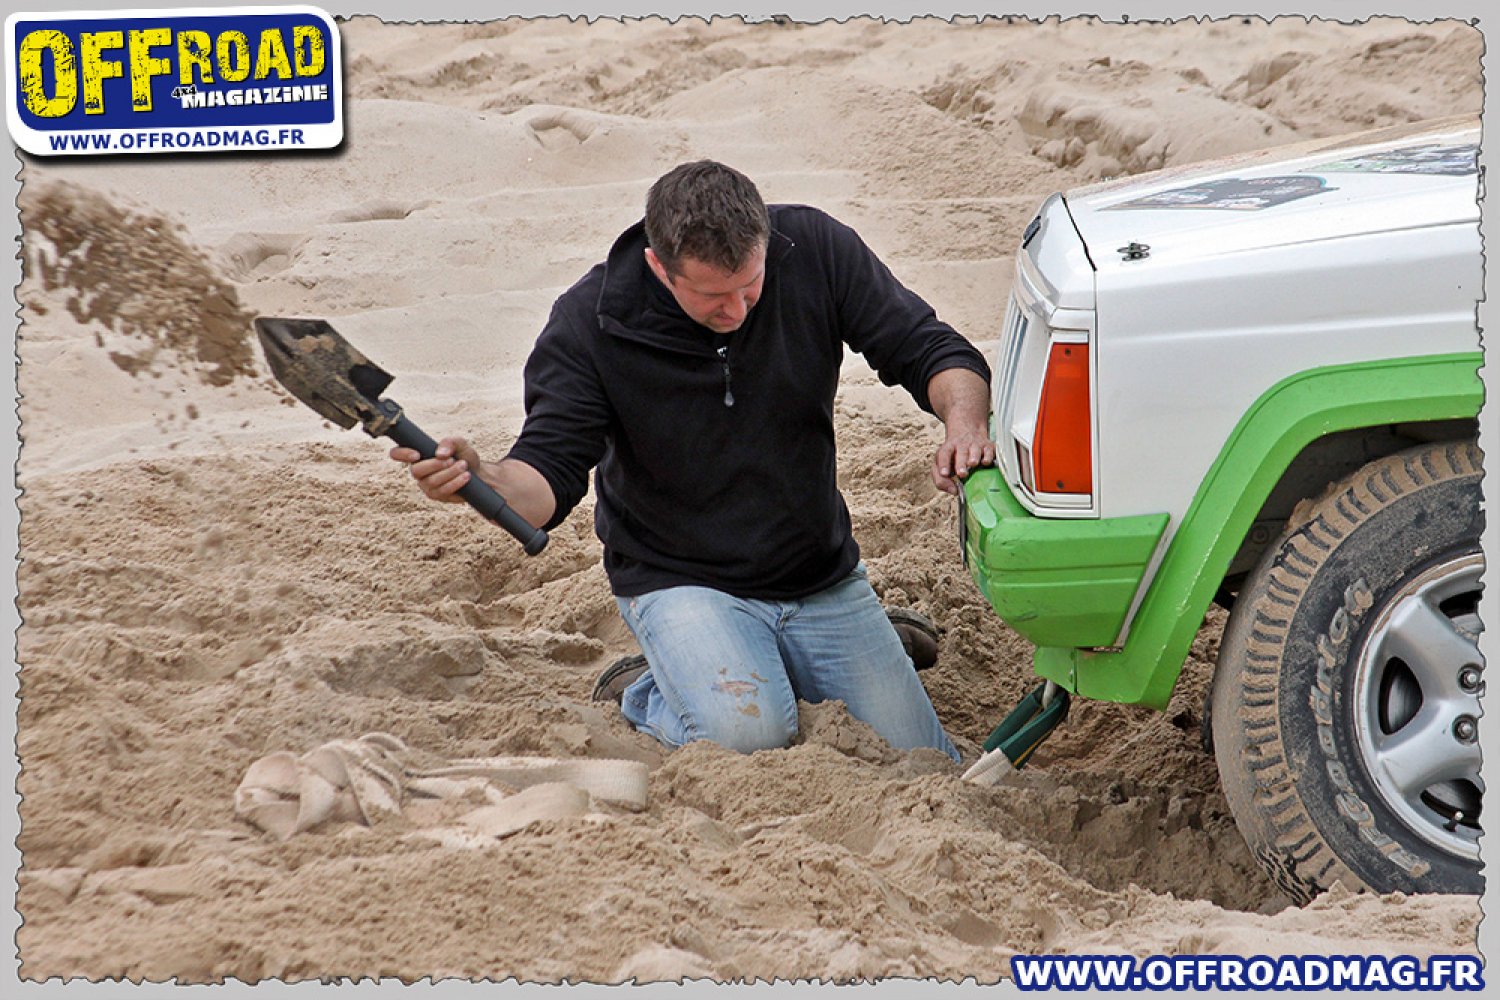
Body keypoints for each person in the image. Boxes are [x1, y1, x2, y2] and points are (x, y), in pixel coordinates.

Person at [392, 160, 995, 762]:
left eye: (750, 285)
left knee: (921, 757)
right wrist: (482, 479)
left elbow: (931, 348)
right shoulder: (588, 323)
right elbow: (547, 477)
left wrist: (963, 426)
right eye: (712, 296)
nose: (737, 311)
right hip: (680, 580)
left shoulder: (814, 248)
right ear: (660, 267)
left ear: (765, 242)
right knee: (749, 735)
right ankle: (651, 689)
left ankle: (826, 651)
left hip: (817, 573)